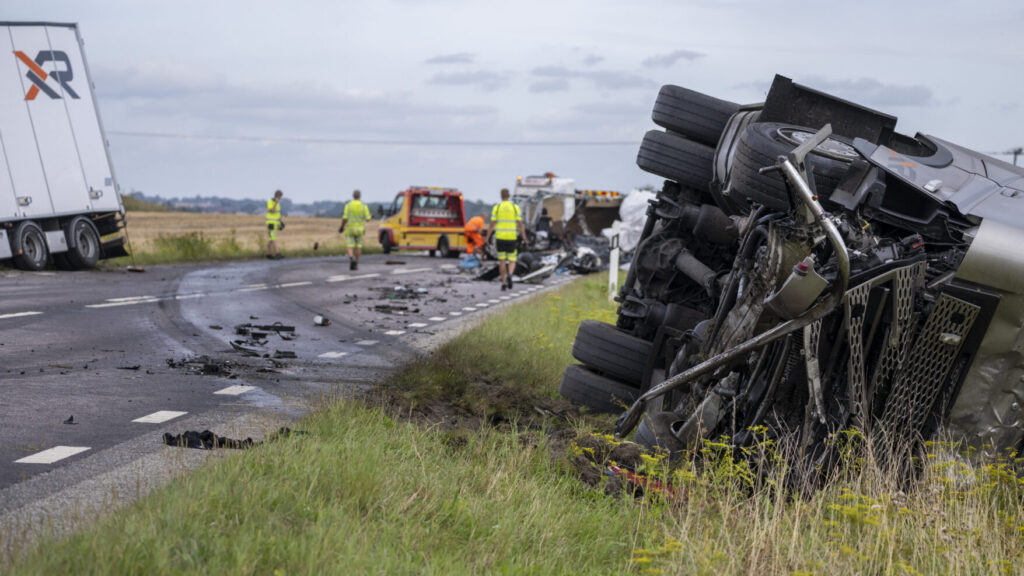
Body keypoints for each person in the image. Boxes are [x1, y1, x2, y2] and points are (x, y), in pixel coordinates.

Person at [484, 188, 526, 290]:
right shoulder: (515, 207)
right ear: (509, 195)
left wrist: (487, 238)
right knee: (512, 260)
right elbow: (520, 225)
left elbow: (491, 225)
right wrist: (524, 238)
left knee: (502, 261)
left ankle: (503, 283)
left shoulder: (497, 207)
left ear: (501, 196)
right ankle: (510, 275)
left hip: (500, 238)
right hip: (511, 238)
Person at [339, 189, 372, 270]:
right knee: (358, 246)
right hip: (360, 229)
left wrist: (342, 227)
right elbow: (368, 219)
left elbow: (345, 218)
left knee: (349, 246)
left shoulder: (348, 205)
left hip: (350, 229)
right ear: (360, 196)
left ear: (353, 196)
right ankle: (356, 263)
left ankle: (351, 258)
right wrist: (371, 216)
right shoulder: (364, 206)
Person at [265, 189, 284, 259]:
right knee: (274, 239)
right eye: (279, 197)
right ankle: (277, 253)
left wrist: (281, 222)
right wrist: (275, 203)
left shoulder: (278, 204)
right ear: (277, 196)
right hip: (271, 224)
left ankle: (268, 254)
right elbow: (272, 211)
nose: (280, 199)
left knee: (271, 239)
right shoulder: (270, 202)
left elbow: (278, 214)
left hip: (275, 224)